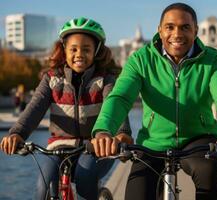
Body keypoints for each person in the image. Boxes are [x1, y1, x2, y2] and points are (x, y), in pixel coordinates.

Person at [91, 3, 217, 200]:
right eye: (170, 27)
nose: (177, 34)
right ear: (159, 30)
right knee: (136, 193)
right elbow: (121, 97)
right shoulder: (141, 59)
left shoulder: (212, 59)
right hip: (153, 142)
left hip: (199, 139)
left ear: (196, 31)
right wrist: (104, 130)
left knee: (208, 177)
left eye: (185, 27)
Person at [0, 17, 133, 200]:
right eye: (73, 49)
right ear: (64, 50)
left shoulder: (106, 80)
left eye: (86, 49)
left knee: (85, 177)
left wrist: (121, 133)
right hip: (59, 147)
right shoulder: (51, 79)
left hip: (95, 147)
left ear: (97, 51)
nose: (79, 54)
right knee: (44, 187)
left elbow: (116, 106)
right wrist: (17, 133)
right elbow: (34, 109)